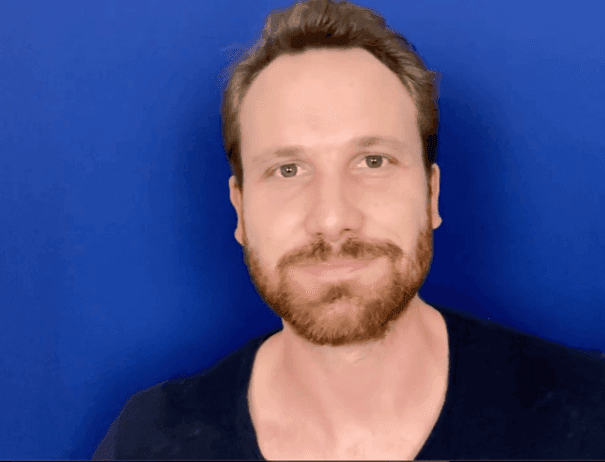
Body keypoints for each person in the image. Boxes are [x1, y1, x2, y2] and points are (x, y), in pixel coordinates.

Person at [92, 0, 605, 459]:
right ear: (240, 211)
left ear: (431, 195)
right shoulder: (147, 442)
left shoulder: (589, 418)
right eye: (287, 170)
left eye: (373, 161)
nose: (333, 218)